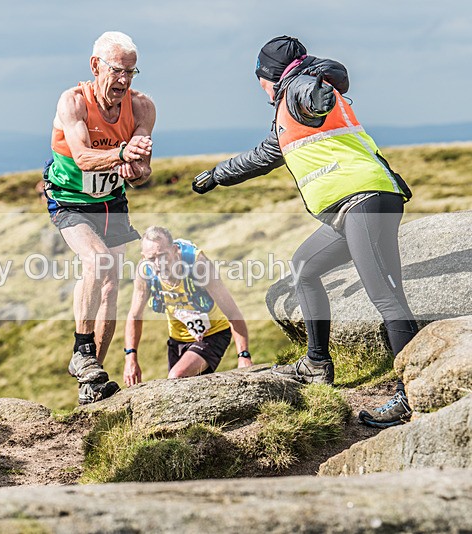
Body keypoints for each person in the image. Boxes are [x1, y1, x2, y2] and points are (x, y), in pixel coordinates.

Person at [191, 36, 418, 428]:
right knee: (304, 268)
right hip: (351, 209)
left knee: (386, 297)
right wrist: (216, 175)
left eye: (259, 77)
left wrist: (315, 90)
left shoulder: (298, 89)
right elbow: (264, 155)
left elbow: (316, 94)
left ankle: (411, 392)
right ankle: (316, 364)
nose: (259, 86)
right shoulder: (287, 108)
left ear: (270, 75)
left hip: (364, 200)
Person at [44, 31, 156, 405]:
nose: (124, 80)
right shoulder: (72, 101)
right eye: (118, 71)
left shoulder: (142, 108)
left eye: (131, 72)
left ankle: (93, 379)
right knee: (97, 260)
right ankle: (82, 350)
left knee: (111, 285)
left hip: (111, 200)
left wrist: (137, 170)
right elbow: (83, 157)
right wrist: (123, 152)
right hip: (69, 198)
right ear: (96, 66)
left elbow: (142, 172)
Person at [123, 227, 251, 386]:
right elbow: (135, 316)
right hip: (177, 340)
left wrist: (243, 356)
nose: (158, 264)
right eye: (152, 259)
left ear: (175, 250)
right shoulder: (145, 272)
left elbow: (232, 312)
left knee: (176, 376)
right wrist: (130, 358)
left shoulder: (198, 265)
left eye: (163, 256)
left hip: (213, 333)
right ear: (144, 258)